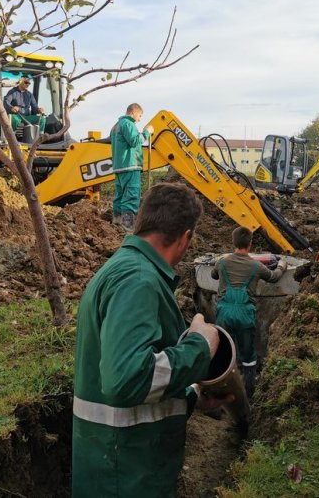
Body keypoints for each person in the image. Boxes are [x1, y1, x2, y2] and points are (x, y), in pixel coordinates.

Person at [72, 183, 225, 498]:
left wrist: (191, 392)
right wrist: (200, 345)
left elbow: (140, 373)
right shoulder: (138, 280)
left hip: (115, 464)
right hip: (127, 474)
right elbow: (126, 379)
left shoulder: (125, 270)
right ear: (185, 237)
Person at [211, 226, 288, 397]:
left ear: (233, 242)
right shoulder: (256, 266)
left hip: (224, 313)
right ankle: (249, 391)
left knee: (223, 352)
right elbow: (274, 277)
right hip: (245, 314)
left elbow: (213, 275)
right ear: (250, 243)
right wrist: (282, 265)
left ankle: (219, 393)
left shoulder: (222, 261)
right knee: (248, 354)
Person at [110, 102, 154, 232]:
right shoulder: (128, 124)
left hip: (119, 167)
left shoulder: (115, 126)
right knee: (131, 195)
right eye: (140, 115)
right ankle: (128, 227)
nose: (140, 119)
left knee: (120, 195)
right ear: (133, 112)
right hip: (130, 165)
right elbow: (135, 141)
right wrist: (147, 132)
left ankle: (117, 222)